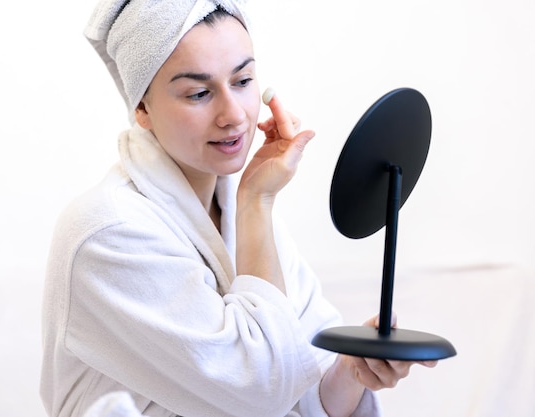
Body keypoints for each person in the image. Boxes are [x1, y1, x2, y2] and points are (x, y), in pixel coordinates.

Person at [40, 1, 436, 416]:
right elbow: (261, 391)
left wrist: (351, 370)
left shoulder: (240, 214)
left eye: (243, 80)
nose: (233, 115)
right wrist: (256, 202)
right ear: (142, 109)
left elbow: (301, 394)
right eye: (199, 93)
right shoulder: (108, 232)